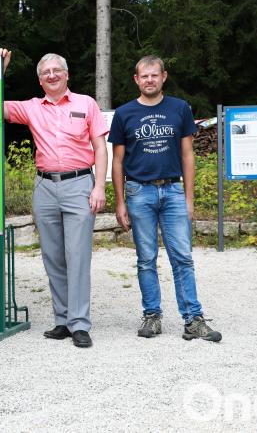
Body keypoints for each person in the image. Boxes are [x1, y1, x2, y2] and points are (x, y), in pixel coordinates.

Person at [0, 48, 108, 348]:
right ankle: (63, 320)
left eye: (57, 70)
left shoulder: (86, 103)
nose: (52, 75)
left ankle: (80, 324)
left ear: (67, 75)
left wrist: (99, 188)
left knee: (77, 255)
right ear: (40, 81)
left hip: (80, 184)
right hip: (45, 187)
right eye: (46, 73)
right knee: (53, 256)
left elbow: (100, 147)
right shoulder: (32, 107)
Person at [109, 55, 222, 342]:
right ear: (136, 79)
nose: (149, 80)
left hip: (172, 191)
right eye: (144, 76)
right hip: (138, 192)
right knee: (146, 259)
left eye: (154, 75)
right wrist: (120, 202)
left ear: (163, 77)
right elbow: (118, 161)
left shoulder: (179, 109)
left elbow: (187, 155)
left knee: (182, 257)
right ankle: (152, 317)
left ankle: (193, 320)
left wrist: (189, 198)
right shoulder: (124, 114)